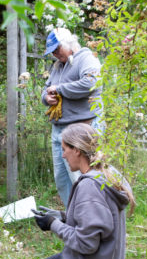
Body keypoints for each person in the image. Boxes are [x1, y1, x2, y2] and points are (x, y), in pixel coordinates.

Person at [13, 123, 135, 259]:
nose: (62, 156)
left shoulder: (89, 187)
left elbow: (86, 244)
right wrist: (62, 216)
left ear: (77, 150)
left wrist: (54, 224)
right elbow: (95, 220)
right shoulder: (106, 174)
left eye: (64, 150)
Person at [41, 27, 102, 207]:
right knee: (62, 179)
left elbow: (91, 83)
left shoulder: (86, 58)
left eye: (57, 49)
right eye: (52, 52)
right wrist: (46, 97)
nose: (54, 54)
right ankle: (73, 217)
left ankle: (89, 216)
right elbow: (47, 89)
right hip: (58, 131)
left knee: (80, 178)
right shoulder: (58, 65)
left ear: (68, 44)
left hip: (80, 130)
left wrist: (59, 89)